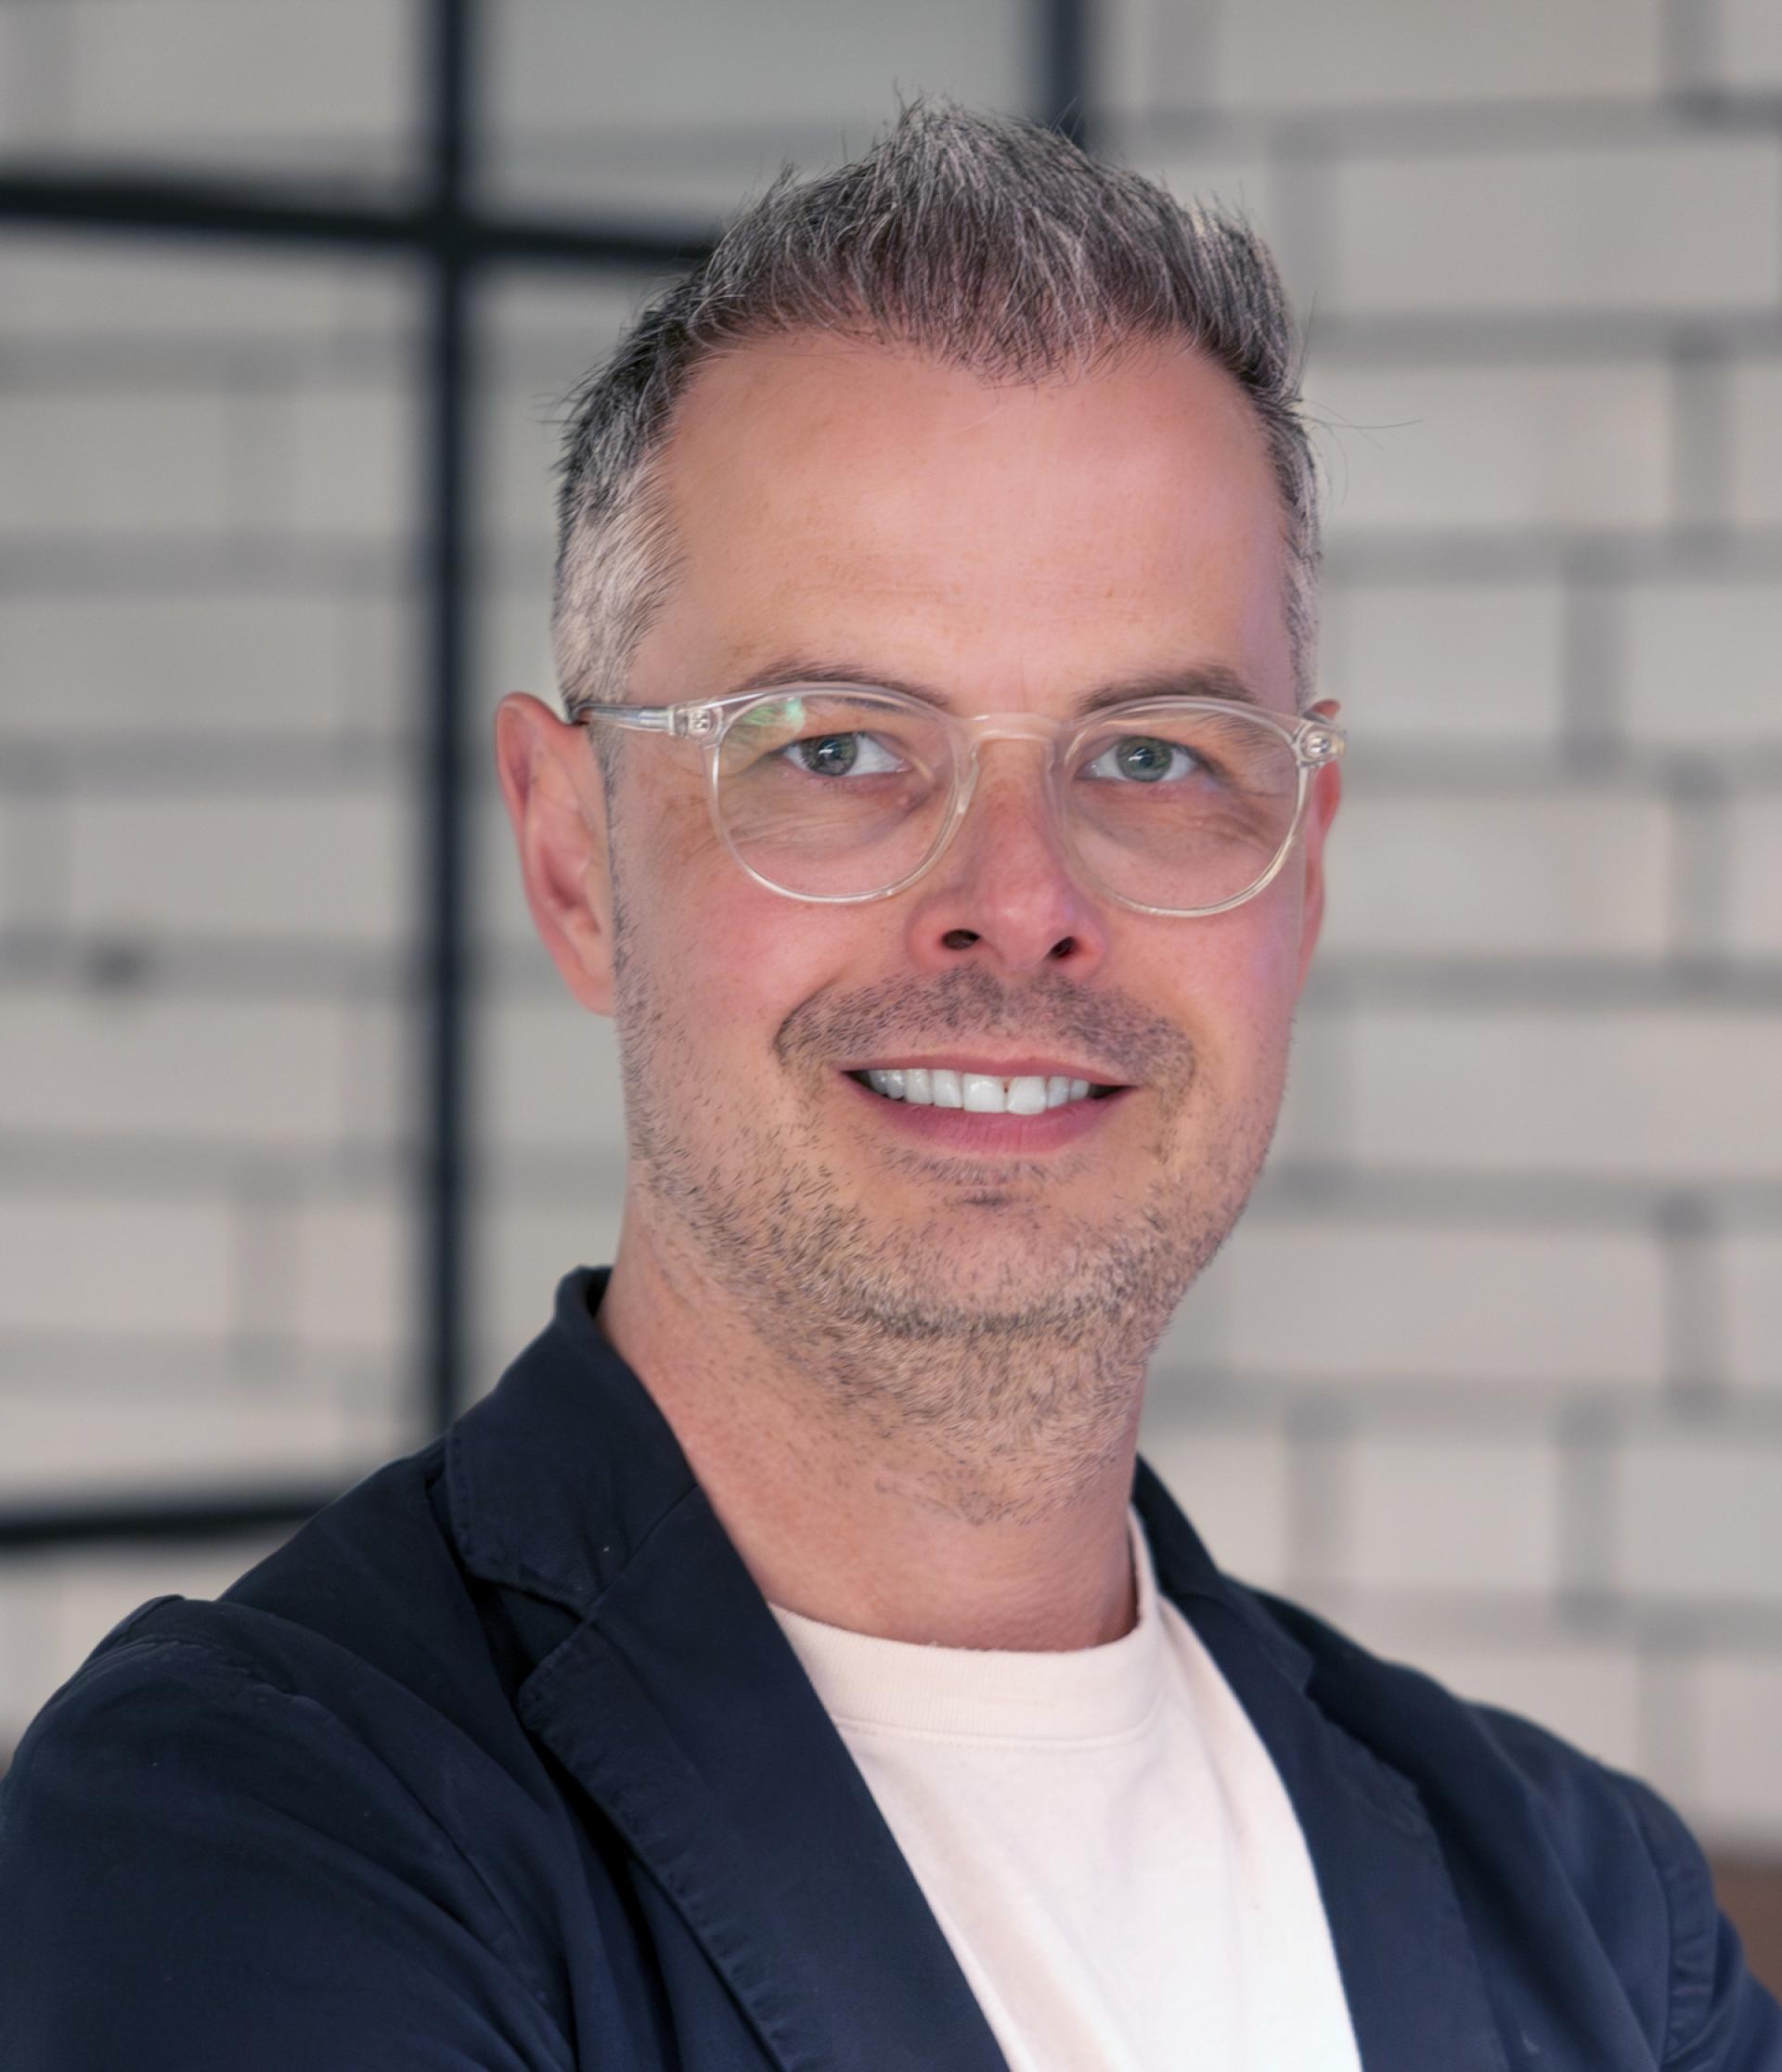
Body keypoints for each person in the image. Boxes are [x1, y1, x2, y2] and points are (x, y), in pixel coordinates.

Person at [0, 97, 1776, 2072]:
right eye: (839, 749)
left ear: (1306, 859)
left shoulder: (1589, 1914)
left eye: (1156, 754)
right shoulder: (258, 1841)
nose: (1015, 908)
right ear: (576, 856)